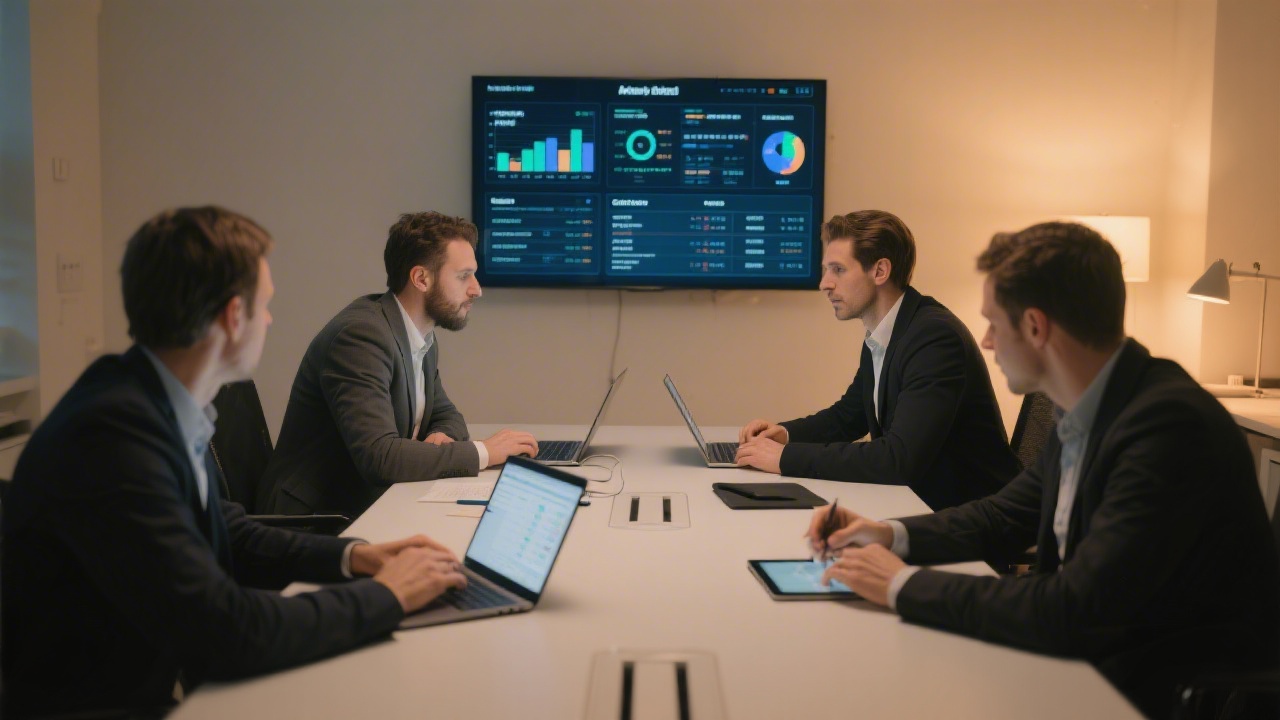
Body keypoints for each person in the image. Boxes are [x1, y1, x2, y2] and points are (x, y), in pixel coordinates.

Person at [1, 207, 469, 717]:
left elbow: (226, 529)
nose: (269, 320)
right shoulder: (112, 439)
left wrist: (355, 557)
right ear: (233, 316)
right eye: (265, 304)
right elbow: (226, 632)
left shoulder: (151, 400)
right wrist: (388, 597)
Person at [807, 221, 1280, 718]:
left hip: (1160, 693)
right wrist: (885, 535)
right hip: (1095, 667)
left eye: (994, 323)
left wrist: (900, 585)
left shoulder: (1166, 428)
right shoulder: (1092, 405)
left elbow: (1073, 610)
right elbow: (1002, 515)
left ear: (1035, 326)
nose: (986, 341)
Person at [261, 212, 537, 518]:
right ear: (421, 279)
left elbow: (448, 417)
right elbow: (380, 456)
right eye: (463, 276)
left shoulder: (419, 335)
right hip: (316, 519)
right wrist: (485, 451)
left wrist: (439, 439)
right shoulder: (361, 337)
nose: (476, 289)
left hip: (366, 503)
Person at [737, 210, 1019, 510]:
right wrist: (785, 434)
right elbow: (849, 416)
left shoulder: (934, 338)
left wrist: (784, 459)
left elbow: (898, 459)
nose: (824, 284)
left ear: (880, 271)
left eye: (837, 270)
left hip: (970, 514)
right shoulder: (887, 331)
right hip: (921, 501)